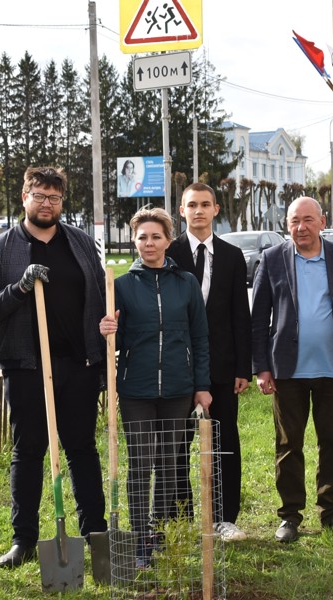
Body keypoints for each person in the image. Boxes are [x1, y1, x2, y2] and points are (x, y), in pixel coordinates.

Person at [0, 166, 108, 568]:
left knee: (82, 448)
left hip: (78, 363)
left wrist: (106, 323)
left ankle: (94, 531)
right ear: (24, 198)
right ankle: (24, 539)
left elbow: (101, 294)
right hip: (27, 366)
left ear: (61, 202)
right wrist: (19, 287)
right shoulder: (1, 249)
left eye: (54, 198)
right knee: (29, 451)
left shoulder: (82, 244)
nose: (47, 204)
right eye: (39, 196)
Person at [251, 197, 333, 543]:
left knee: (332, 442)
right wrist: (261, 367)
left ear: (323, 221)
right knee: (288, 444)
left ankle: (331, 511)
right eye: (294, 221)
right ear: (286, 225)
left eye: (308, 220)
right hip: (287, 371)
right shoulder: (272, 259)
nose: (300, 227)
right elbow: (259, 319)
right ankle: (290, 515)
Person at [99, 207, 211, 567]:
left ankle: (161, 535)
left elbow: (200, 337)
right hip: (137, 391)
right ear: (134, 241)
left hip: (179, 388)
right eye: (142, 237)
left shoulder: (186, 283)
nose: (149, 244)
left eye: (156, 236)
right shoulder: (121, 285)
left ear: (168, 240)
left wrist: (201, 385)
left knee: (169, 464)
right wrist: (105, 331)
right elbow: (110, 339)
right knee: (140, 465)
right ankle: (138, 538)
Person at [166, 183, 252, 542]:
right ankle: (182, 515)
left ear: (216, 209)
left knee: (224, 440)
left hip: (221, 368)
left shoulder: (232, 256)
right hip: (176, 366)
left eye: (205, 204)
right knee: (176, 443)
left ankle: (224, 517)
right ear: (181, 211)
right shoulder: (168, 253)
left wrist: (241, 368)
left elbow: (239, 316)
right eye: (191, 205)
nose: (198, 211)